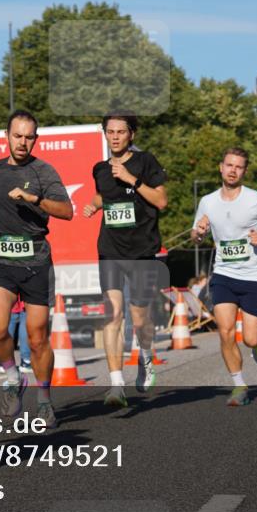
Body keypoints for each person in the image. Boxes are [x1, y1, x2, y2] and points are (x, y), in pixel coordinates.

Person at [0, 110, 73, 428]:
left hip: (36, 262)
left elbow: (67, 211)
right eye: (18, 135)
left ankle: (44, 402)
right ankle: (14, 377)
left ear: (36, 139)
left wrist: (34, 198)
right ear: (6, 136)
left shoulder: (44, 171)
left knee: (38, 337)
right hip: (2, 260)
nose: (23, 142)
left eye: (29, 137)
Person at [82, 113, 168, 408]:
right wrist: (91, 207)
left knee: (140, 317)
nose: (115, 136)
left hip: (142, 251)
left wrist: (132, 179)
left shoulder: (146, 162)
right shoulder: (100, 169)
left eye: (121, 131)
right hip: (110, 251)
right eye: (110, 131)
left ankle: (145, 357)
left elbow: (161, 200)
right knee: (113, 314)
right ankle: (116, 385)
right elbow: (103, 197)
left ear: (132, 134)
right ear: (105, 134)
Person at [191, 147, 257, 407]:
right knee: (226, 331)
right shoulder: (207, 201)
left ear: (244, 171)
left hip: (253, 275)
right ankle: (239, 385)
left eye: (239, 167)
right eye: (229, 165)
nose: (233, 170)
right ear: (221, 167)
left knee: (251, 338)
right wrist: (199, 232)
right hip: (224, 274)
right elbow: (196, 234)